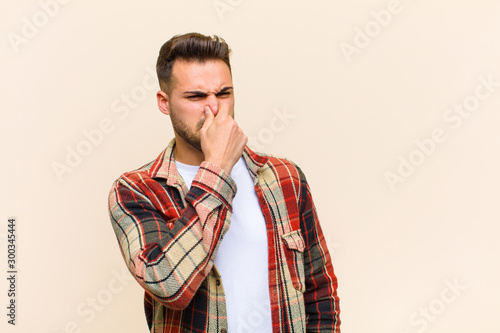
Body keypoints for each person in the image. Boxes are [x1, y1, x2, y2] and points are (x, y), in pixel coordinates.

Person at [108, 32, 341, 333]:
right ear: (164, 102)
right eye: (196, 96)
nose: (214, 109)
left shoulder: (285, 177)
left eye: (223, 93)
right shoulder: (136, 190)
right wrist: (216, 167)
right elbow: (167, 284)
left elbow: (319, 289)